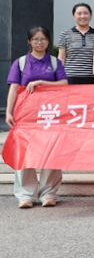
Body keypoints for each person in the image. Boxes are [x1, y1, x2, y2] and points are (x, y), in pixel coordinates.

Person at [6, 26, 68, 208]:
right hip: (25, 115)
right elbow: (13, 89)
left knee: (51, 152)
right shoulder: (21, 63)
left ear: (48, 42)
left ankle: (49, 193)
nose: (39, 43)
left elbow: (64, 84)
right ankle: (26, 195)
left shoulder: (55, 63)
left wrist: (41, 82)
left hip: (51, 114)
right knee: (24, 153)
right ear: (29, 41)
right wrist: (9, 112)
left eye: (43, 39)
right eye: (35, 39)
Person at [57, 3, 94, 85]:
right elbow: (61, 57)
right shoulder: (65, 34)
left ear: (90, 15)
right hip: (70, 76)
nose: (82, 16)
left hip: (91, 77)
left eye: (86, 13)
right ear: (74, 16)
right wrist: (59, 75)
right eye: (79, 14)